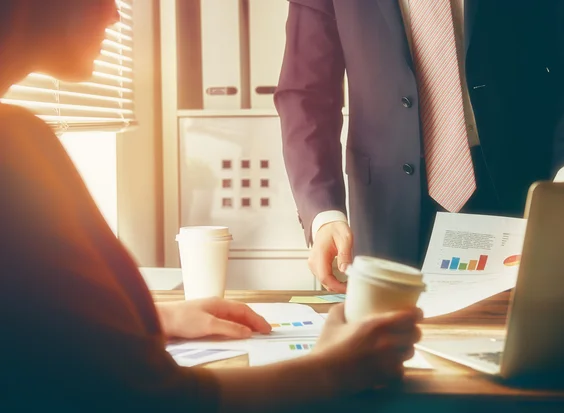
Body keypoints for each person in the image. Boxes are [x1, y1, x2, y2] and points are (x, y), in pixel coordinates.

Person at [0, 0, 422, 411]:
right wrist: (335, 369)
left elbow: (32, 329)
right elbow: (143, 399)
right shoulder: (15, 149)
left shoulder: (19, 139)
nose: (115, 14)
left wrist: (155, 320)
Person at [275, 0, 564, 293]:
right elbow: (306, 93)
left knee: (529, 348)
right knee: (386, 351)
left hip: (524, 194)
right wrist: (324, 211)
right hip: (386, 211)